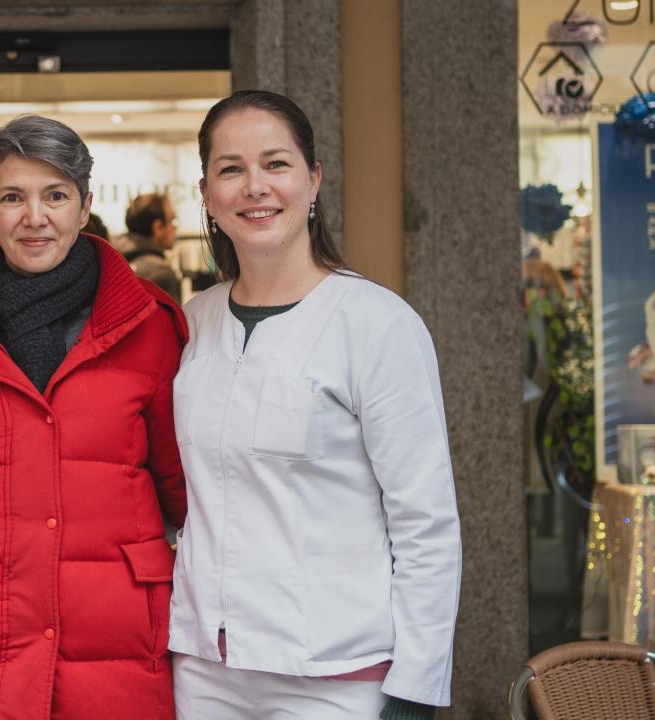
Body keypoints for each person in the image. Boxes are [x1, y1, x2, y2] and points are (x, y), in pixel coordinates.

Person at [169, 91, 460, 720]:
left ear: (313, 178)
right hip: (204, 669)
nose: (255, 187)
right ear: (207, 193)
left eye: (276, 164)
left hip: (335, 673)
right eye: (230, 169)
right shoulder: (192, 326)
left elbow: (426, 523)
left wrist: (415, 687)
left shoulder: (376, 323)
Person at [0, 115, 188, 719]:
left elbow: (185, 494)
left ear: (84, 208)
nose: (35, 217)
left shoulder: (150, 326)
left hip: (116, 646)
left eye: (55, 195)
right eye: (13, 197)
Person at [116, 192, 183, 303]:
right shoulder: (161, 273)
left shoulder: (114, 262)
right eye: (173, 222)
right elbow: (167, 320)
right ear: (158, 227)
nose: (175, 229)